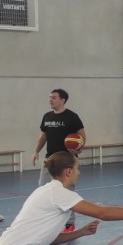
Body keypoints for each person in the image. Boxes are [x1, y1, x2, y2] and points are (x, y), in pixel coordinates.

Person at [32, 89, 85, 233]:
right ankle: (46, 219)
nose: (50, 100)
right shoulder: (47, 116)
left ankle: (69, 223)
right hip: (50, 159)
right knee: (43, 187)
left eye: (54, 97)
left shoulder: (72, 117)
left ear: (63, 100)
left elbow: (81, 135)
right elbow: (43, 136)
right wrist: (36, 151)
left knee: (67, 191)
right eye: (49, 97)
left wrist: (78, 149)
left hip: (67, 159)